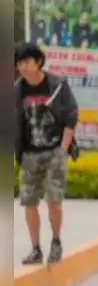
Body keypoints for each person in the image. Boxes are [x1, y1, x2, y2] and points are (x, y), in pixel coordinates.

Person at [15, 41, 79, 265]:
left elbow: (71, 116)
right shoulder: (17, 90)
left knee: (54, 200)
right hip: (29, 154)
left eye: (26, 62)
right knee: (29, 201)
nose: (22, 67)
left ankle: (56, 242)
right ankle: (35, 249)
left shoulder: (58, 85)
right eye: (18, 63)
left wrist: (63, 149)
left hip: (54, 151)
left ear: (38, 62)